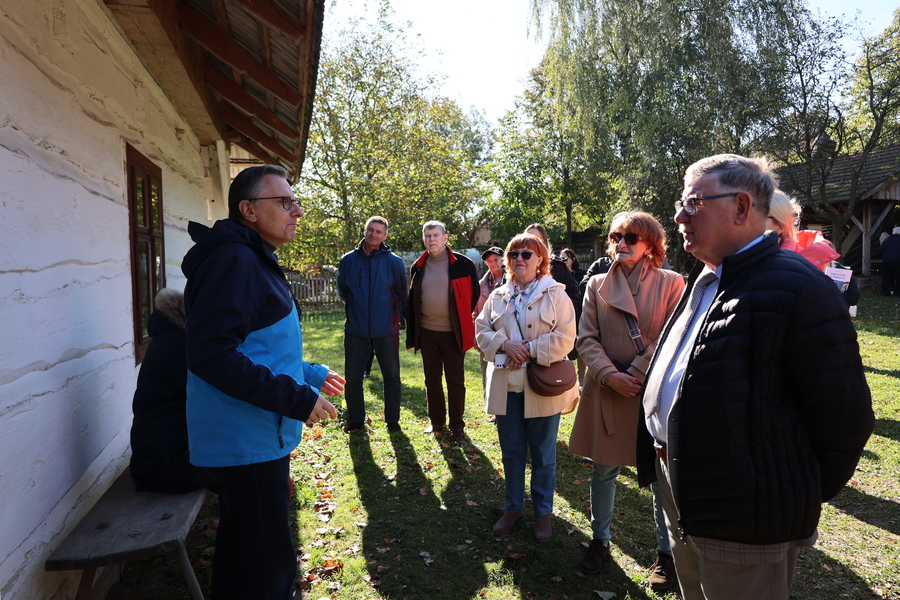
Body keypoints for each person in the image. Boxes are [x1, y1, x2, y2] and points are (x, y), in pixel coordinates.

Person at [638, 154, 874, 600]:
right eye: (680, 203)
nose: (678, 216)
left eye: (692, 203)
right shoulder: (707, 276)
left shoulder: (801, 290)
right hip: (682, 490)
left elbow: (846, 416)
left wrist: (782, 493)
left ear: (742, 208)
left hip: (744, 516)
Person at [182, 165, 345, 600]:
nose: (297, 211)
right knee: (270, 566)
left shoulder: (250, 256)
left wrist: (309, 373)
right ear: (248, 210)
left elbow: (259, 345)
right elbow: (211, 354)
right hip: (245, 442)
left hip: (252, 439)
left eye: (295, 201)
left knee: (242, 556)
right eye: (284, 202)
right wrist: (295, 396)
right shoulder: (233, 260)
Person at [569, 212, 685, 590]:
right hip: (607, 390)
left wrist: (634, 373)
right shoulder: (597, 284)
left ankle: (665, 554)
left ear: (651, 244)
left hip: (651, 393)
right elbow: (585, 338)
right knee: (603, 471)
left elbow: (673, 335)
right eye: (616, 236)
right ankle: (600, 541)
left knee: (658, 477)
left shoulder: (672, 283)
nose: (620, 243)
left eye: (630, 237)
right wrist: (609, 375)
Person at [475, 233, 578, 542]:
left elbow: (567, 338)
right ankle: (514, 507)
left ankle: (543, 513)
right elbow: (481, 331)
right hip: (507, 387)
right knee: (512, 452)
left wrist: (529, 349)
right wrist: (504, 343)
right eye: (514, 254)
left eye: (527, 254)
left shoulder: (556, 295)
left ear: (540, 261)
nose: (519, 259)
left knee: (544, 455)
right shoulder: (498, 296)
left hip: (543, 388)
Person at [406, 221, 480, 440]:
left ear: (445, 238)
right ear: (424, 239)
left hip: (453, 333)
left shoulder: (463, 264)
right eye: (427, 236)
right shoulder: (418, 266)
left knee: (455, 381)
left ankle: (457, 425)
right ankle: (437, 422)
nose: (432, 239)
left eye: (436, 235)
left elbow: (473, 295)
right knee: (432, 380)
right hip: (427, 332)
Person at [129, 288, 207, 493]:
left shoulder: (169, 338)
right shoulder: (178, 345)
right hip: (164, 466)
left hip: (156, 460)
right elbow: (207, 397)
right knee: (239, 465)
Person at [337, 216, 408, 433]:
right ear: (365, 231)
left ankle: (392, 421)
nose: (373, 234)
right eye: (371, 230)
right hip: (356, 330)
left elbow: (401, 292)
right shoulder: (348, 260)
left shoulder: (394, 262)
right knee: (353, 378)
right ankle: (356, 420)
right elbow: (343, 291)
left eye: (379, 231)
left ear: (385, 236)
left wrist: (392, 318)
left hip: (386, 330)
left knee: (392, 377)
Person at [475, 247, 506, 394]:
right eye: (489, 261)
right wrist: (477, 337)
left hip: (508, 336)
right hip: (487, 336)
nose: (493, 263)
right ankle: (492, 410)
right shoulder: (481, 285)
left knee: (507, 375)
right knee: (487, 373)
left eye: (496, 260)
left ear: (504, 260)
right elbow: (475, 313)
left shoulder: (514, 281)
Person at [560, 247, 589, 385]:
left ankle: (582, 378)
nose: (563, 260)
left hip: (580, 313)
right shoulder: (559, 275)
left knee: (580, 344)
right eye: (561, 258)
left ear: (573, 259)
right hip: (565, 314)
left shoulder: (582, 274)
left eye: (566, 258)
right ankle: (567, 377)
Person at [873, 226, 900, 296]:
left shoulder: (887, 240)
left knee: (886, 277)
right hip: (898, 261)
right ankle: (897, 293)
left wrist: (885, 256)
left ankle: (886, 293)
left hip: (887, 261)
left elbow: (879, 252)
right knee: (898, 277)